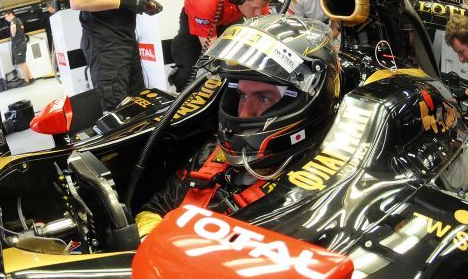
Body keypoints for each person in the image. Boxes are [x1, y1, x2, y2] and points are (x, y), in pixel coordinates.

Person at [136, 16, 339, 237]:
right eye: (241, 95)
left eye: (263, 98)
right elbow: (154, 210)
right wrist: (150, 240)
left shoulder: (317, 184)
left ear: (305, 101)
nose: (244, 112)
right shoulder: (214, 153)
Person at [169, 0, 274, 91]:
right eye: (255, 8)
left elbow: (262, 30)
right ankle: (177, 81)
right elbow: (211, 50)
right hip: (198, 17)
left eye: (262, 8)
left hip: (231, 17)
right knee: (188, 71)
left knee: (241, 58)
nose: (258, 13)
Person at [4, 10, 31, 84]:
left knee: (22, 63)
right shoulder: (19, 20)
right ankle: (29, 78)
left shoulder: (14, 21)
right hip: (21, 43)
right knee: (23, 63)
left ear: (10, 14)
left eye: (6, 16)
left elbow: (13, 27)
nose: (5, 19)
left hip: (18, 44)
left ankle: (27, 80)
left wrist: (13, 34)